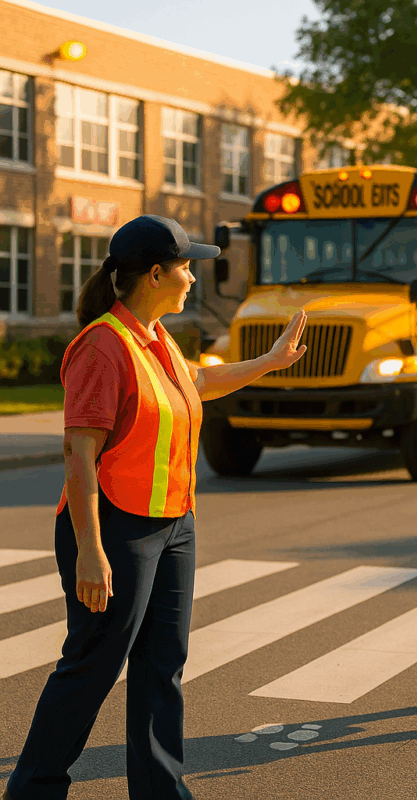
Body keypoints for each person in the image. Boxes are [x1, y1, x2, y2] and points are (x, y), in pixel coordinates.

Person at [3, 215, 307, 800]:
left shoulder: (157, 337)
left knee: (161, 667)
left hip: (173, 525)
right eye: (187, 266)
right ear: (155, 273)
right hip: (114, 528)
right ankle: (33, 790)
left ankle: (160, 792)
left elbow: (197, 382)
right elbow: (78, 454)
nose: (193, 277)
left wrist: (267, 363)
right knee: (92, 666)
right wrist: (90, 550)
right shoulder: (103, 345)